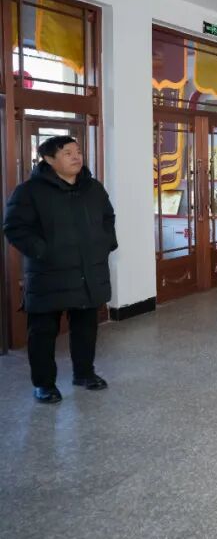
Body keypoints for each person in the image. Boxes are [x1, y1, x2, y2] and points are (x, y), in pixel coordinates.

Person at [3, 136, 116, 404]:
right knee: (43, 332)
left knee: (86, 327)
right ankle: (44, 384)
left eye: (78, 151)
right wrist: (43, 251)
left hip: (88, 271)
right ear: (49, 159)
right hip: (49, 274)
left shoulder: (93, 188)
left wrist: (105, 244)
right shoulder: (29, 191)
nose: (76, 157)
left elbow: (107, 218)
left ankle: (84, 373)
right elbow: (14, 228)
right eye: (67, 153)